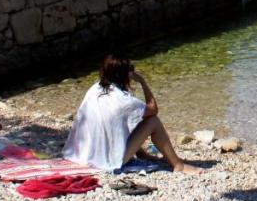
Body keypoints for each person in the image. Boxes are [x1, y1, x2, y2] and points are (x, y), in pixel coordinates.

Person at [63, 55, 201, 174]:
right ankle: (178, 165)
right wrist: (142, 81)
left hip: (83, 153)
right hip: (109, 160)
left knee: (132, 118)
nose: (132, 72)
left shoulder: (96, 88)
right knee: (153, 121)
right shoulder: (124, 100)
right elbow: (153, 109)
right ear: (124, 74)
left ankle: (141, 154)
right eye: (130, 69)